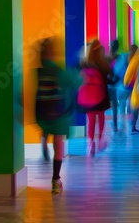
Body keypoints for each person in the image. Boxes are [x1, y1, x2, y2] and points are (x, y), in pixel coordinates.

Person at [35, 37, 76, 194]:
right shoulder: (59, 71)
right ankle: (55, 180)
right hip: (58, 114)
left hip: (41, 113)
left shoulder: (38, 71)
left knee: (46, 125)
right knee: (59, 146)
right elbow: (73, 82)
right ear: (53, 53)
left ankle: (44, 138)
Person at [80, 39, 113, 156]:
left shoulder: (84, 63)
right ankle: (100, 140)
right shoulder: (103, 63)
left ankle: (91, 143)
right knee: (101, 116)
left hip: (88, 95)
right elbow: (111, 77)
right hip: (101, 94)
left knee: (91, 120)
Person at [114, 44, 139, 133]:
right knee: (133, 106)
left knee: (121, 107)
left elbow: (116, 70)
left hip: (121, 87)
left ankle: (122, 126)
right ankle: (132, 126)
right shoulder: (138, 59)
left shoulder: (122, 57)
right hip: (133, 87)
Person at [106, 40, 121, 132]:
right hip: (115, 84)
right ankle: (115, 126)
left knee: (101, 107)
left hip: (106, 83)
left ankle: (101, 127)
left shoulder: (106, 58)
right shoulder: (119, 58)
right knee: (115, 106)